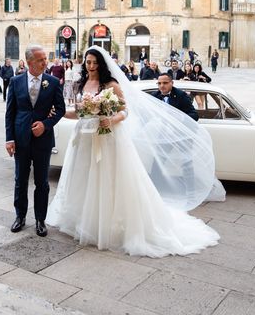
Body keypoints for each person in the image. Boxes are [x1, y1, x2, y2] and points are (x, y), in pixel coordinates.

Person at [46, 46, 221, 257]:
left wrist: (110, 120)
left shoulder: (111, 85)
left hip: (106, 137)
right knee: (84, 177)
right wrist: (60, 113)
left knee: (107, 179)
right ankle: (84, 220)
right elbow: (80, 112)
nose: (90, 66)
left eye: (94, 62)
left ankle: (109, 225)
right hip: (84, 138)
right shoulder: (83, 83)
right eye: (88, 62)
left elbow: (125, 111)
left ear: (101, 64)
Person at [5, 44, 65, 237]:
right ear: (30, 62)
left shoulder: (53, 82)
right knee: (20, 180)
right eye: (40, 60)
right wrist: (9, 139)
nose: (44, 62)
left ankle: (40, 220)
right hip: (21, 139)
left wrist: (45, 125)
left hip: (43, 141)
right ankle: (20, 216)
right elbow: (10, 113)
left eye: (45, 59)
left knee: (42, 182)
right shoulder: (15, 82)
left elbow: (61, 109)